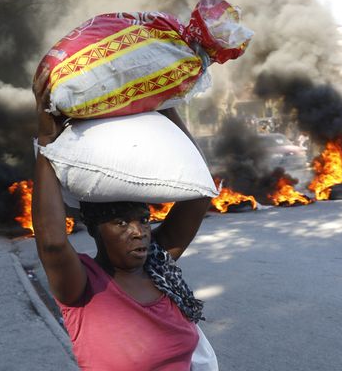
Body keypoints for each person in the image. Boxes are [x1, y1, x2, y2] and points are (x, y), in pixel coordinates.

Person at [31, 73, 213, 370]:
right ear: (93, 228)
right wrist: (47, 141)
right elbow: (51, 243)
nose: (138, 232)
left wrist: (165, 102)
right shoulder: (82, 285)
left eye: (143, 220)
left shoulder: (157, 264)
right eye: (121, 223)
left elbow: (200, 191)